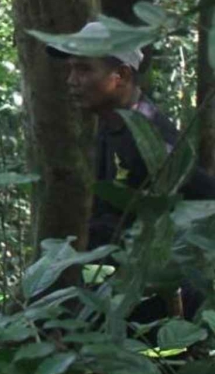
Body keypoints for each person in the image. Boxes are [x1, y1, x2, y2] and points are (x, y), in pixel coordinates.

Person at [58, 22, 215, 250]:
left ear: (121, 75)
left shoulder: (151, 138)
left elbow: (206, 200)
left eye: (84, 69)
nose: (71, 80)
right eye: (71, 69)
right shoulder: (111, 123)